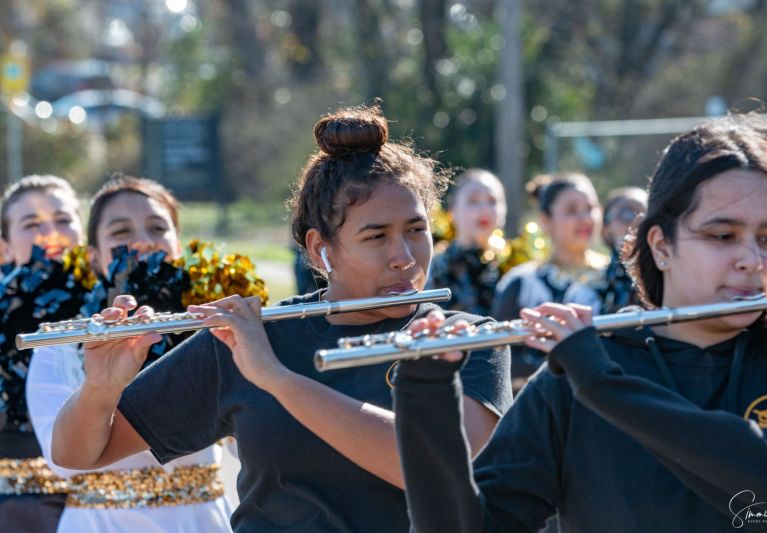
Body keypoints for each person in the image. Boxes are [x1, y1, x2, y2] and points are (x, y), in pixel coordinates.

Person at [49, 106, 512, 532]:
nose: (404, 257)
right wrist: (101, 388)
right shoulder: (253, 338)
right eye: (376, 237)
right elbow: (80, 452)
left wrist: (276, 378)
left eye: (416, 231)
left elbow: (435, 468)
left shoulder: (467, 338)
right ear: (320, 249)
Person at [393, 115, 767, 532]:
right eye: (723, 235)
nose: (752, 260)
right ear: (661, 246)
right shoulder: (578, 375)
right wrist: (427, 398)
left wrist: (602, 385)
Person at [26, 176, 233, 532]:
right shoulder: (60, 344)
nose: (142, 241)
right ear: (93, 256)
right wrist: (101, 386)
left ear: (178, 245)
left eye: (157, 228)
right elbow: (64, 461)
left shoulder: (216, 333)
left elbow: (257, 446)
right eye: (120, 232)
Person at [0, 175, 84, 532]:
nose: (51, 234)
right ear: (4, 247)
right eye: (32, 224)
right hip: (16, 504)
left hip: (111, 501)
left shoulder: (121, 302)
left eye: (63, 220)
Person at [491, 172, 607, 385]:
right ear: (545, 220)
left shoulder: (615, 277)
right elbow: (499, 356)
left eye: (590, 208)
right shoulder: (522, 282)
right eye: (571, 210)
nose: (585, 218)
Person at [426, 168, 506, 316]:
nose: (484, 209)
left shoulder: (511, 265)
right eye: (473, 201)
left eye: (492, 201)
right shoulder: (435, 266)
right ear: (453, 211)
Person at [599, 186, 648, 313]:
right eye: (627, 214)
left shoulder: (671, 285)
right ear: (605, 229)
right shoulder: (589, 290)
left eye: (648, 215)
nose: (638, 222)